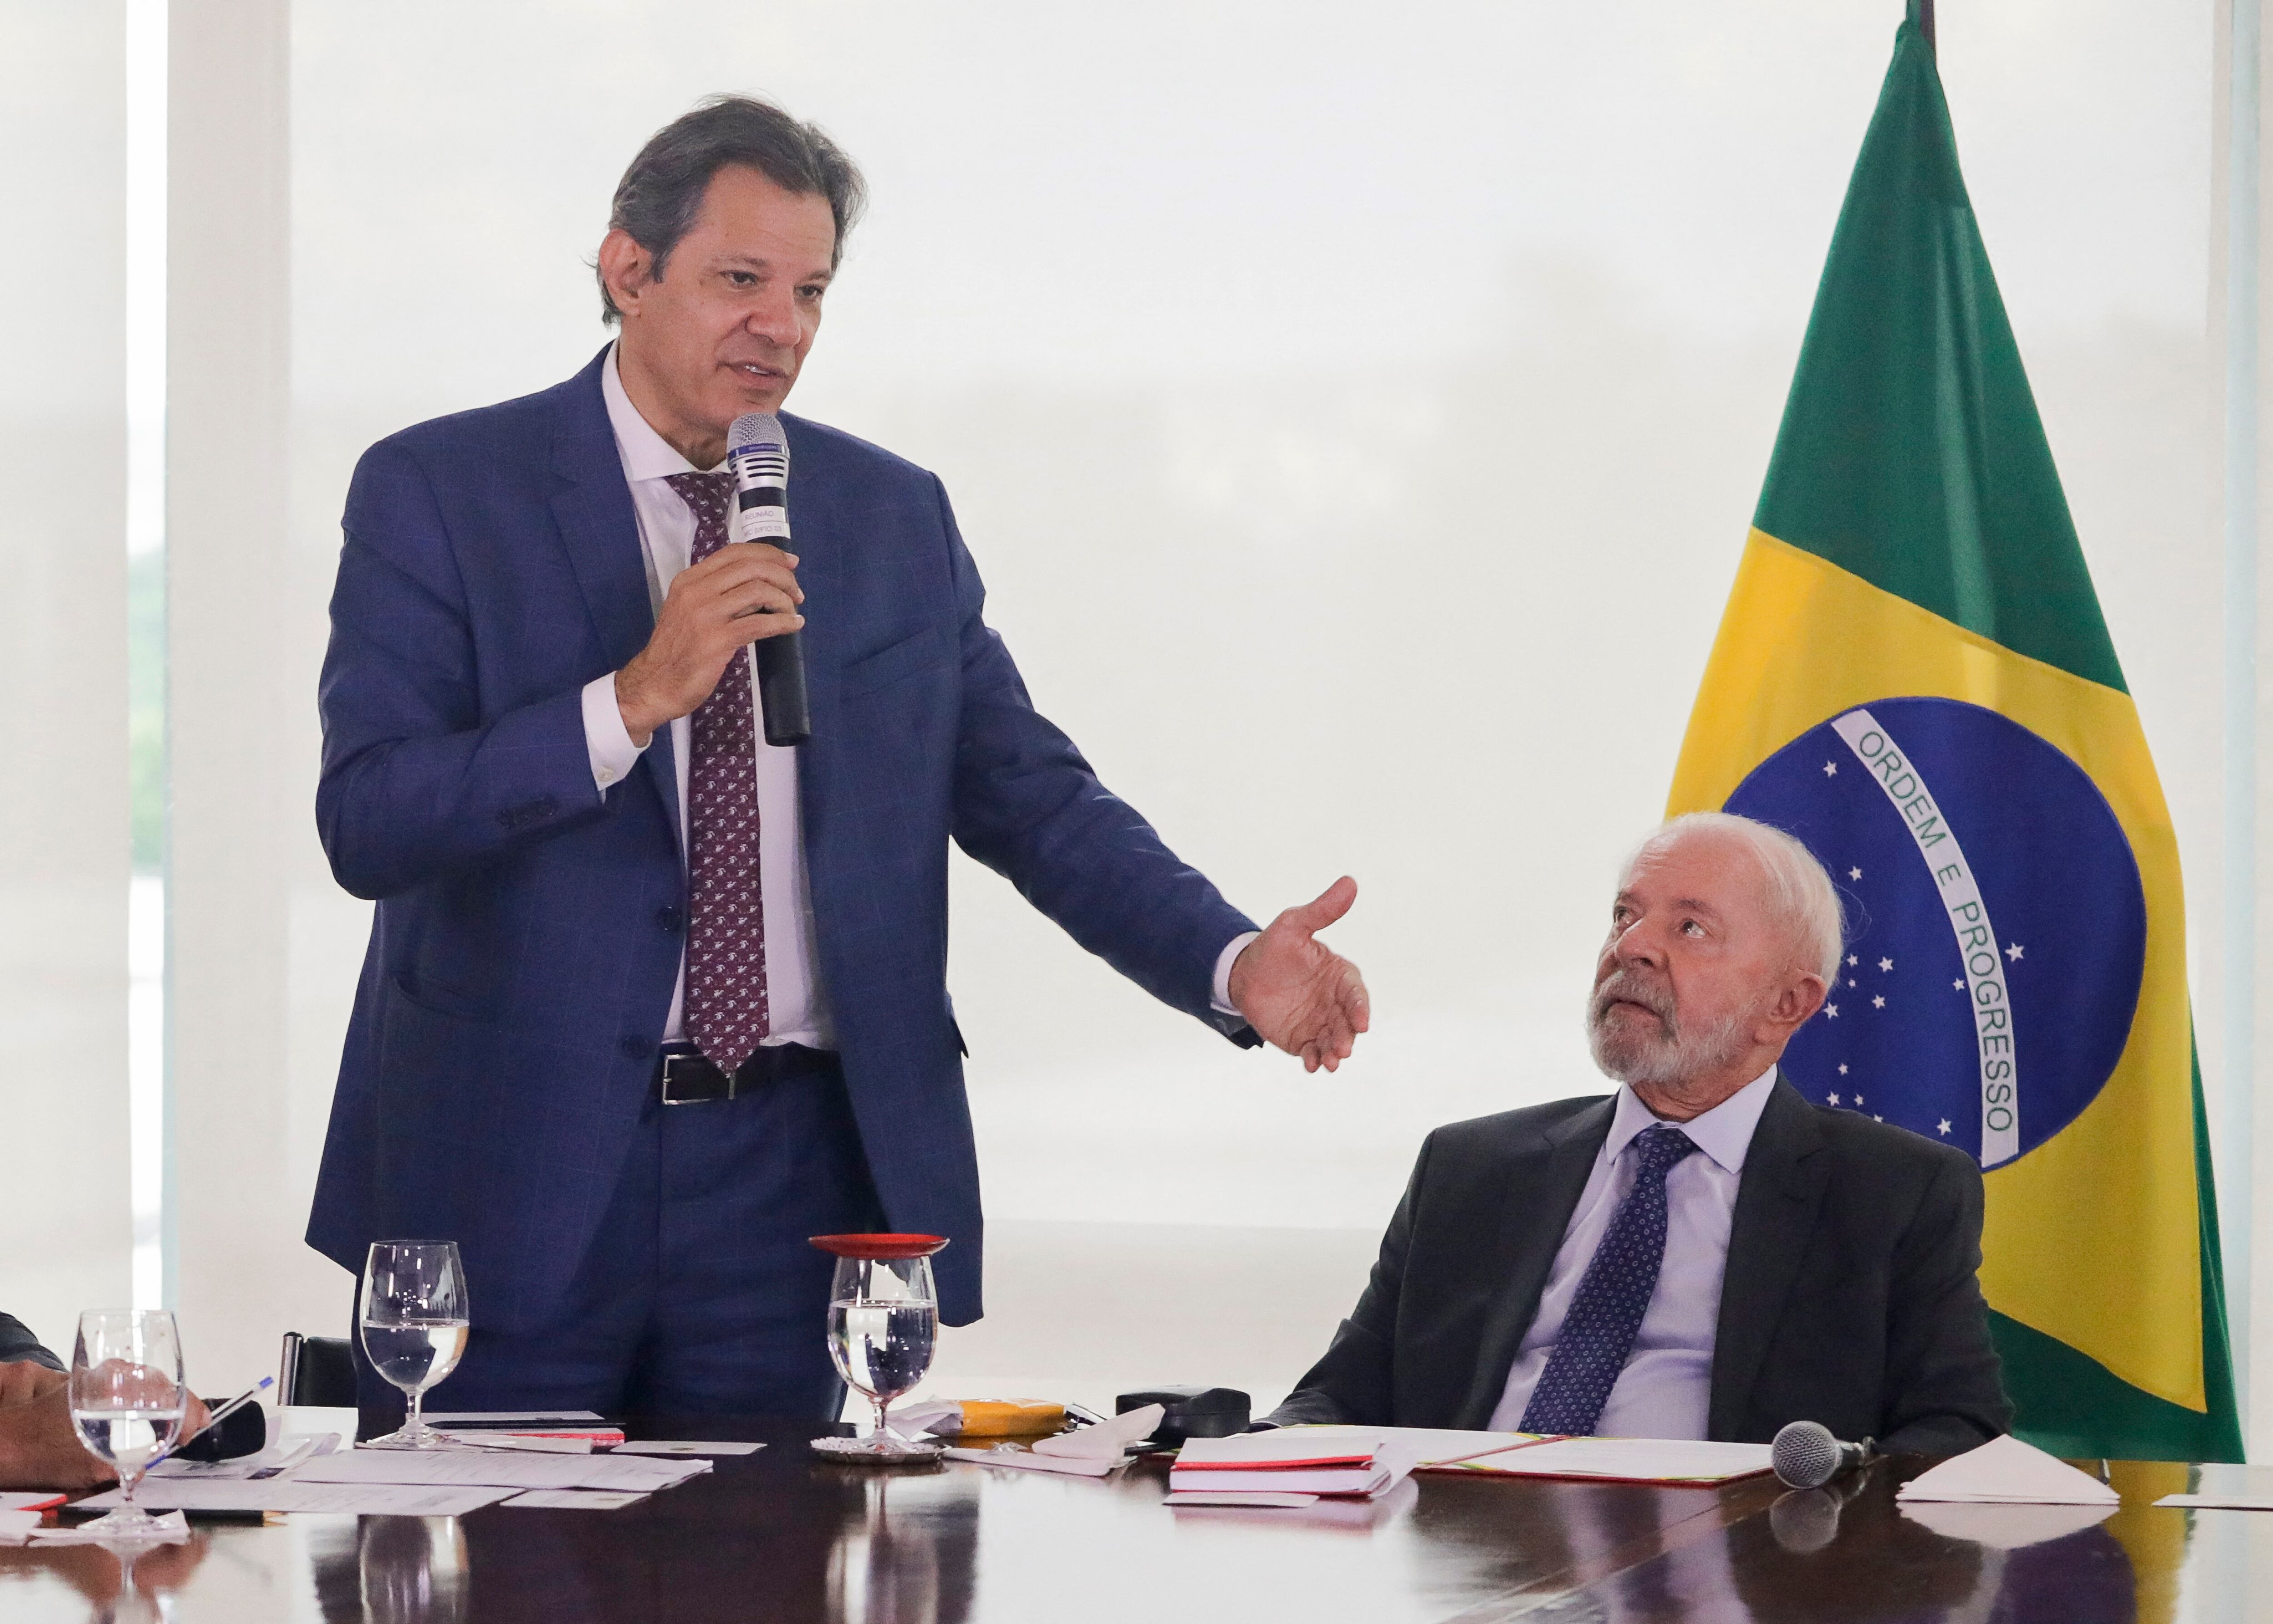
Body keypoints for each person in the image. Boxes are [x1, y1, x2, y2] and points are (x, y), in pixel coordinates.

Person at [308, 96, 1370, 1421]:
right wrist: (631, 699)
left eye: (811, 290)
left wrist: (1227, 959)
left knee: (776, 1575)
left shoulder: (886, 514)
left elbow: (1031, 797)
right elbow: (371, 818)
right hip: (510, 1167)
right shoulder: (443, 490)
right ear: (627, 271)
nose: (784, 326)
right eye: (741, 281)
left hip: (795, 1179)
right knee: (489, 1576)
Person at [1268, 812, 2009, 1453]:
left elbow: (1955, 1430)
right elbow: (1340, 1398)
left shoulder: (1893, 1193)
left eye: (1690, 927)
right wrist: (1226, 1460)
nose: (1633, 948)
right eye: (1625, 917)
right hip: (1463, 1547)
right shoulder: (1470, 1167)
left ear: (1787, 1004)